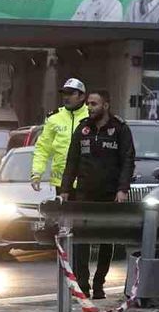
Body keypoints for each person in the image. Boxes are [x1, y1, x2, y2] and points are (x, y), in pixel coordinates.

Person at [58, 89, 135, 299]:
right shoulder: (83, 129)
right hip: (83, 194)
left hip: (109, 195)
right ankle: (82, 284)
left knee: (104, 240)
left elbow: (127, 161)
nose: (90, 108)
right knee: (81, 240)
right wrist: (65, 189)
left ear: (106, 106)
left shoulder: (120, 129)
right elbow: (71, 161)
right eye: (89, 104)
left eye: (94, 104)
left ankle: (99, 283)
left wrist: (122, 189)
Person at [31, 78, 90, 191]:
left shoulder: (91, 115)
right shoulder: (54, 118)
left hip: (87, 182)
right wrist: (36, 173)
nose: (66, 97)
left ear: (82, 96)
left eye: (71, 93)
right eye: (64, 94)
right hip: (61, 182)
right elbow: (43, 148)